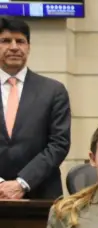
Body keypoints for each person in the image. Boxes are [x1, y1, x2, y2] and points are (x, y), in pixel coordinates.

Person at [0, 17, 70, 199]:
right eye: (6, 41)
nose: (14, 47)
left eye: (20, 41)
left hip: (41, 195)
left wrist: (22, 183)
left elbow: (59, 144)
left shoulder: (53, 91)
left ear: (28, 47)